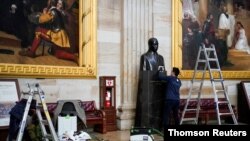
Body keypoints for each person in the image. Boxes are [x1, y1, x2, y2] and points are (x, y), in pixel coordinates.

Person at [135, 37, 165, 130]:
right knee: (146, 108)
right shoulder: (144, 57)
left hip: (158, 88)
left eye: (157, 44)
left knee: (157, 108)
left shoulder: (161, 58)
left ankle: (157, 126)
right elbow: (144, 74)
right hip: (148, 87)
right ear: (149, 45)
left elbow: (162, 71)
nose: (156, 46)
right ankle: (146, 126)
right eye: (154, 44)